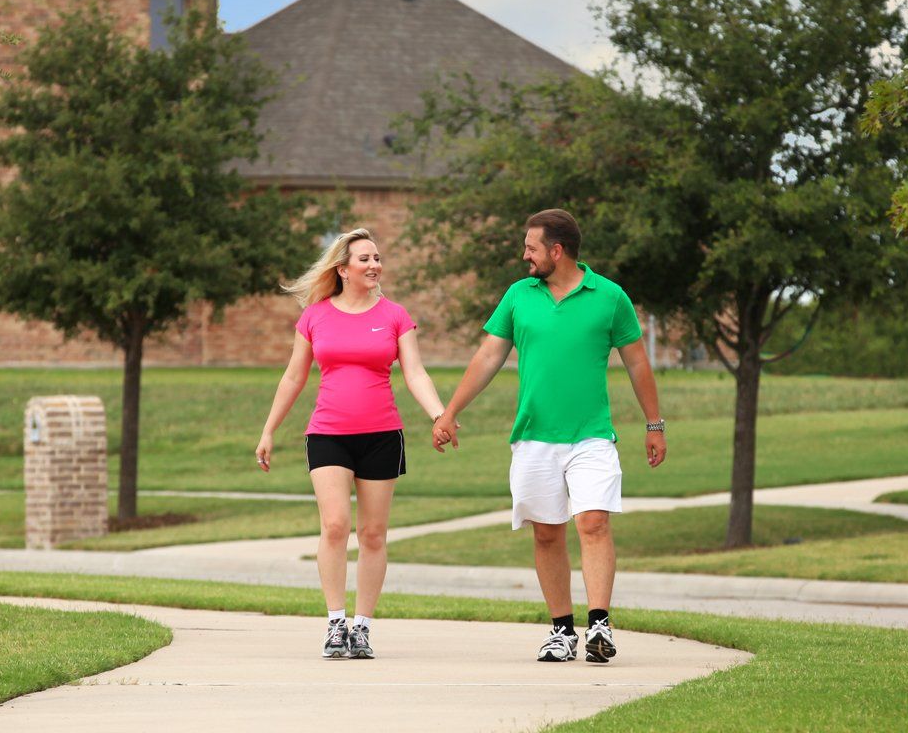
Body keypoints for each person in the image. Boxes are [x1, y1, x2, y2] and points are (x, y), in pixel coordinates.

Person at [432, 209, 666, 664]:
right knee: (546, 534)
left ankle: (600, 623)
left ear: (556, 251)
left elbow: (638, 363)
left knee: (593, 522)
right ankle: (562, 630)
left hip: (592, 436)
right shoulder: (520, 295)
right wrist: (450, 411)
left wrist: (654, 424)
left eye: (531, 248)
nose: (525, 255)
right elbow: (487, 357)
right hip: (534, 437)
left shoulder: (611, 297)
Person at [257, 228, 445, 660]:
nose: (374, 265)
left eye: (377, 257)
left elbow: (415, 373)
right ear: (342, 269)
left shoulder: (396, 315)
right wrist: (268, 430)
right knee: (336, 525)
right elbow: (293, 377)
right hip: (327, 434)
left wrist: (439, 415)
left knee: (373, 533)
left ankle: (362, 627)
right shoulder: (316, 317)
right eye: (364, 258)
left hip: (382, 434)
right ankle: (335, 622)